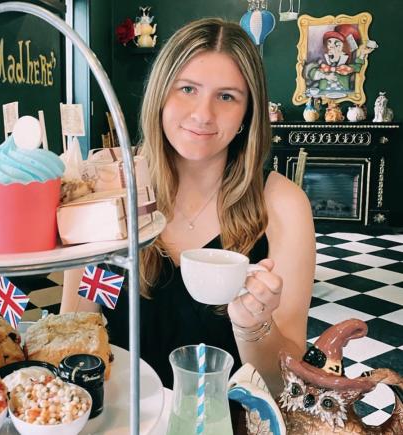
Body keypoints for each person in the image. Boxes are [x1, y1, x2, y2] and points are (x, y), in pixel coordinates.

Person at [61, 18, 315, 398]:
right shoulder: (108, 188)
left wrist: (254, 325)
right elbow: (73, 336)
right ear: (161, 93)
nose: (203, 114)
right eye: (187, 89)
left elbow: (283, 384)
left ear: (248, 113)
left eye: (227, 96)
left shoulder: (283, 205)